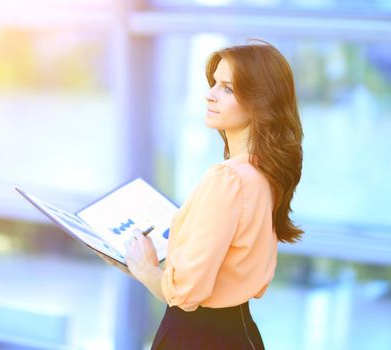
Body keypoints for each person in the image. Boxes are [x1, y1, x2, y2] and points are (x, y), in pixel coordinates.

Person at [102, 40, 303, 349]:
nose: (209, 94)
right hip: (240, 332)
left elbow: (185, 294)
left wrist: (144, 269)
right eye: (213, 84)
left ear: (260, 100)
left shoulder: (228, 178)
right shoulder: (266, 175)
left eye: (227, 88)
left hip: (196, 337)